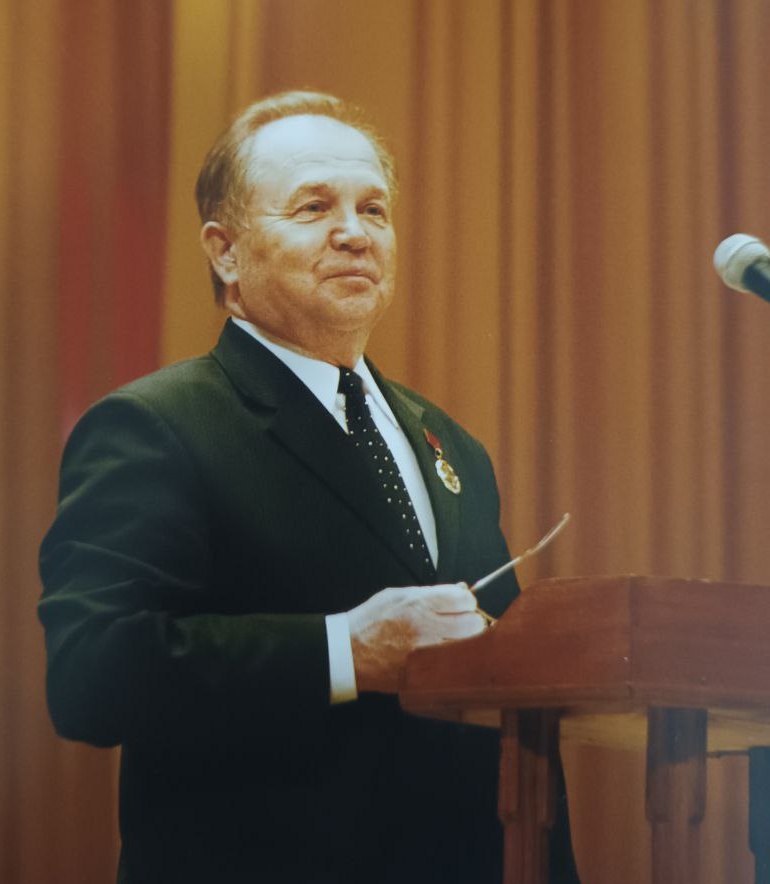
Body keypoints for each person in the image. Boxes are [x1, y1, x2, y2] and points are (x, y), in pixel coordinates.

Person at [39, 91, 578, 884]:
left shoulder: (450, 443)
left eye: (374, 210)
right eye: (314, 207)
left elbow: (504, 702)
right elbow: (91, 676)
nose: (355, 233)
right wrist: (343, 650)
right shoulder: (156, 426)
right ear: (225, 252)